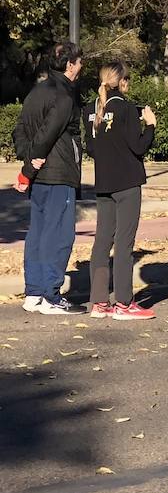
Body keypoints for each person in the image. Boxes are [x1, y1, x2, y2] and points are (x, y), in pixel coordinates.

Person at [83, 61, 157, 319]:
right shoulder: (125, 109)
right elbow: (138, 147)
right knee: (124, 244)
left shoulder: (92, 111)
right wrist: (150, 125)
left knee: (102, 241)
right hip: (126, 184)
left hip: (103, 184)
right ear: (123, 82)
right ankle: (124, 303)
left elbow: (91, 149)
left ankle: (99, 302)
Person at [16, 41, 84, 315]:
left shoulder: (36, 91)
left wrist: (27, 162)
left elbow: (20, 129)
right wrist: (29, 167)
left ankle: (33, 292)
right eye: (80, 62)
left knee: (38, 233)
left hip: (42, 176)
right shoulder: (64, 96)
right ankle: (51, 296)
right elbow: (47, 134)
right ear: (69, 65)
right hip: (57, 174)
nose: (81, 67)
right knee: (59, 235)